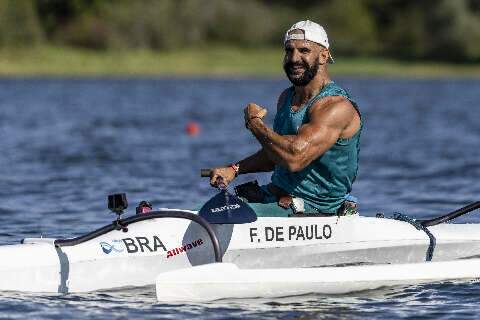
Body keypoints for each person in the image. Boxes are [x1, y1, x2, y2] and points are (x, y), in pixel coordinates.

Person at [209, 20, 362, 217]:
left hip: (314, 209)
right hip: (274, 197)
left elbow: (294, 158)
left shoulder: (336, 107)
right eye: (289, 51)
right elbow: (277, 152)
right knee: (202, 210)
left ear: (323, 56)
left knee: (217, 216)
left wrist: (254, 124)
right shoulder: (286, 98)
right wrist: (234, 169)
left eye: (304, 51)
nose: (294, 58)